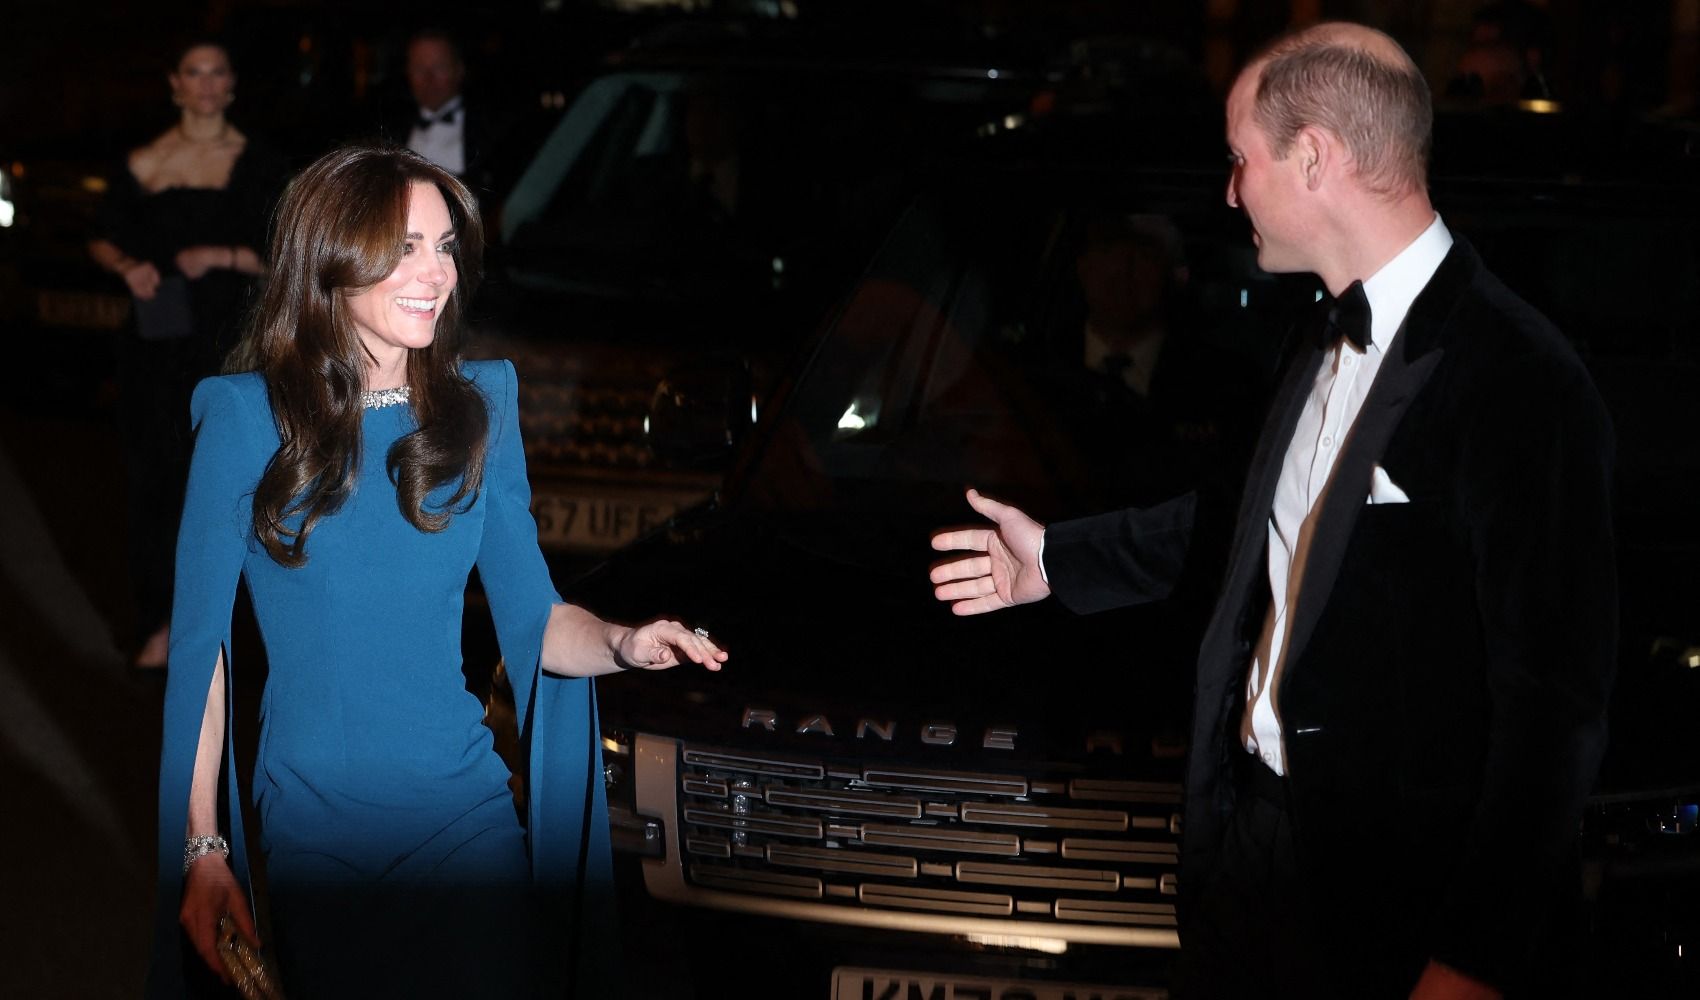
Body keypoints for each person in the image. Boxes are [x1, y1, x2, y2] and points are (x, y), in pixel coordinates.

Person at [930, 22, 1614, 1000]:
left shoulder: (1520, 377)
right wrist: (1056, 561)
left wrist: (1472, 960)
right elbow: (1255, 530)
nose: (1228, 191)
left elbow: (1552, 715)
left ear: (1313, 157)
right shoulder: (1313, 334)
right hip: (1250, 858)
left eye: (1239, 159)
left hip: (1390, 903)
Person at [147, 145, 728, 998]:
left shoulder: (478, 408)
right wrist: (204, 848)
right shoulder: (246, 420)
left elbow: (537, 621)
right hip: (318, 835)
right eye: (406, 247)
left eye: (446, 246)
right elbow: (202, 660)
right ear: (334, 258)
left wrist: (623, 642)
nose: (437, 273)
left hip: (467, 818)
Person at [87, 40, 285, 672]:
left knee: (233, 481)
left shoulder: (259, 163)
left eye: (216, 72)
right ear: (175, 83)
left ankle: (236, 626)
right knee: (155, 481)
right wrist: (128, 266)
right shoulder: (145, 160)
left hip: (230, 344)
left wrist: (222, 256)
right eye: (193, 73)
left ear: (232, 83)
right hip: (156, 340)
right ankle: (160, 622)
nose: (205, 84)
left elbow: (288, 257)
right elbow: (100, 235)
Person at [383, 28, 507, 197]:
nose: (428, 78)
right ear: (407, 73)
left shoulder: (493, 129)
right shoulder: (389, 131)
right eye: (419, 68)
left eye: (439, 67)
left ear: (459, 70)